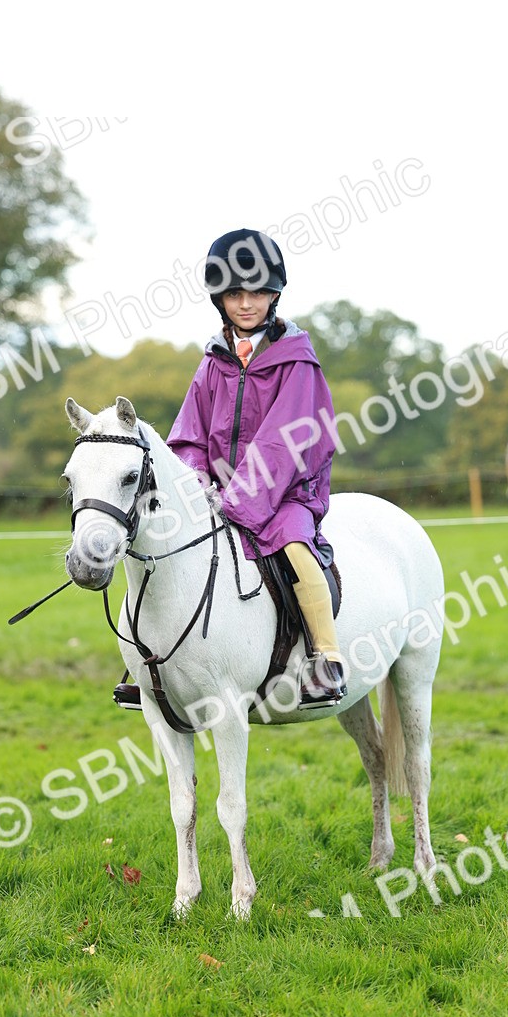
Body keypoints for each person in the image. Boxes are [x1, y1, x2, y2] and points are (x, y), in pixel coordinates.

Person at [115, 228, 346, 711]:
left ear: (275, 295)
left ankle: (325, 658)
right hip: (215, 492)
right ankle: (146, 663)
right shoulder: (212, 362)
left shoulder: (297, 362)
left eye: (258, 293)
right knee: (164, 549)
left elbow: (286, 441)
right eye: (236, 294)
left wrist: (238, 498)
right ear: (220, 300)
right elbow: (188, 434)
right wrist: (196, 482)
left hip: (284, 494)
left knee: (298, 552)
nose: (247, 304)